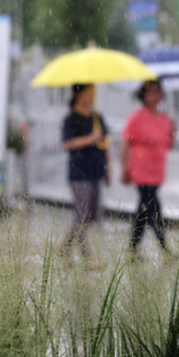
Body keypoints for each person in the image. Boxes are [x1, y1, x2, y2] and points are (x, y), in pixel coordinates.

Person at [121, 80, 176, 261]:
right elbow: (125, 143)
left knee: (143, 211)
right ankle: (164, 249)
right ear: (143, 95)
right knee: (154, 209)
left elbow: (168, 144)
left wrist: (173, 132)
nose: (154, 96)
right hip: (141, 171)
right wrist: (125, 168)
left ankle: (132, 249)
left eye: (157, 92)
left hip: (156, 172)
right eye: (150, 92)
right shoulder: (137, 117)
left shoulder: (165, 119)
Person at [60, 84, 111, 269]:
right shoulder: (71, 119)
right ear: (78, 94)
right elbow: (66, 144)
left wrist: (108, 168)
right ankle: (85, 256)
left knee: (91, 215)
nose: (92, 96)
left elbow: (105, 143)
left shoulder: (97, 117)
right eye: (88, 92)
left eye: (93, 93)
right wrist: (90, 138)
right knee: (81, 215)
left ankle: (65, 246)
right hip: (79, 173)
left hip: (96, 172)